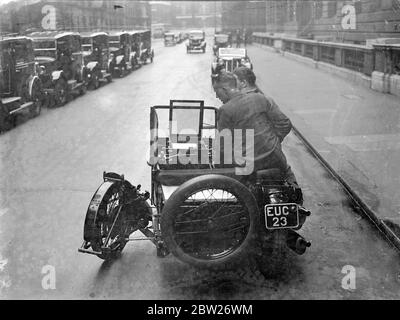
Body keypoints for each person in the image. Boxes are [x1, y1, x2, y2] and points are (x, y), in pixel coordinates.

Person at [213, 71, 298, 185]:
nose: (216, 96)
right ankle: (296, 196)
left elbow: (223, 148)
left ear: (224, 89)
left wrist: (218, 165)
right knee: (287, 174)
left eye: (216, 91)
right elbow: (285, 123)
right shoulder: (261, 98)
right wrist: (273, 142)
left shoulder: (225, 110)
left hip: (248, 167)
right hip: (274, 159)